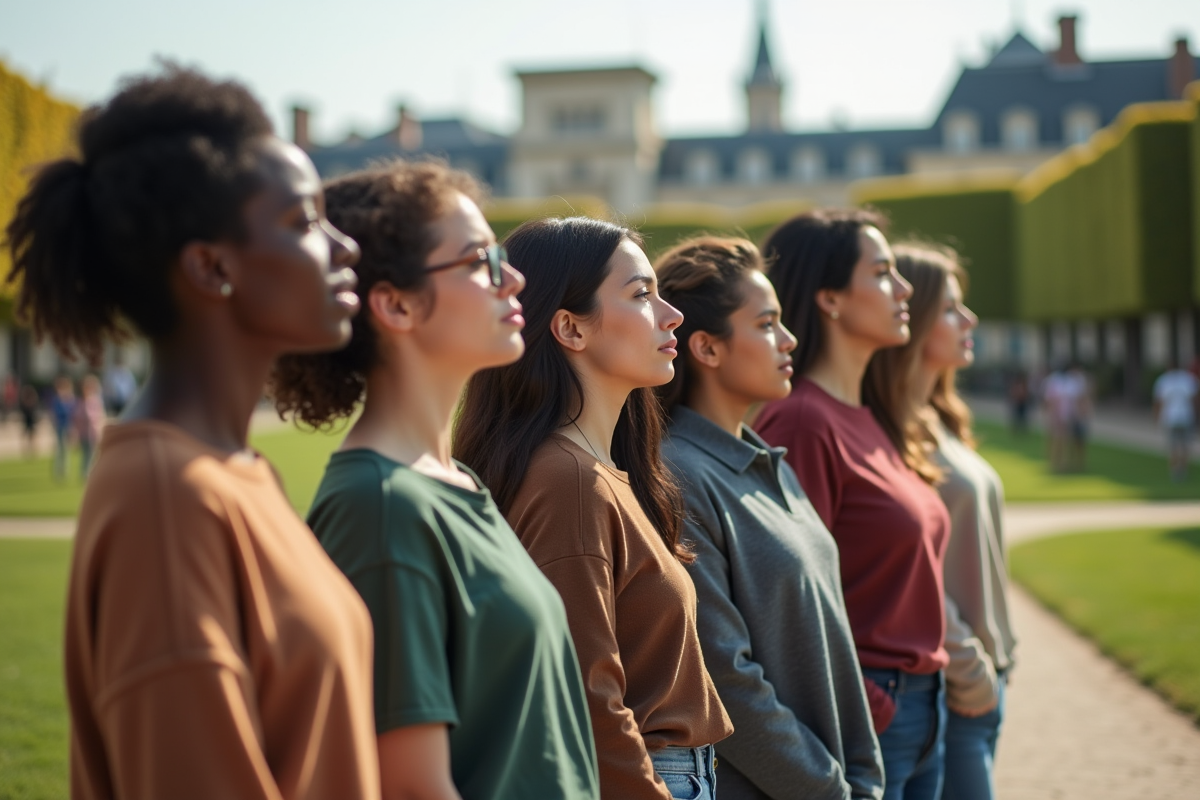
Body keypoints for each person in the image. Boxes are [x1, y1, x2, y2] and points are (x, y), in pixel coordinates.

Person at [5, 66, 381, 799]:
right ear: (211, 267)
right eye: (305, 222)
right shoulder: (169, 502)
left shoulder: (230, 470)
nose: (344, 247)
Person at [271, 162, 600, 800]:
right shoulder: (383, 506)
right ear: (395, 304)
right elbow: (411, 788)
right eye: (479, 261)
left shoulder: (456, 483)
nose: (515, 280)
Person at [456, 217, 733, 800]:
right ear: (570, 329)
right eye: (641, 294)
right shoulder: (570, 482)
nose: (671, 314)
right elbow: (587, 698)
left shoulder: (601, 473)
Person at [654, 236, 885, 800]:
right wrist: (829, 789)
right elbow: (725, 678)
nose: (790, 340)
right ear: (707, 349)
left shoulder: (766, 461)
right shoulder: (679, 473)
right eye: (766, 325)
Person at [754, 210, 951, 800]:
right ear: (831, 299)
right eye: (885, 273)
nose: (905, 289)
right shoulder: (803, 420)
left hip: (920, 704)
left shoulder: (866, 416)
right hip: (875, 708)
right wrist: (872, 703)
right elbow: (789, 591)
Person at [884, 245, 1018, 800]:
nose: (969, 321)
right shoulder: (889, 432)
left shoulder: (938, 419)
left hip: (989, 664)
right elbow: (909, 569)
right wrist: (968, 664)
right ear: (912, 320)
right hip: (955, 678)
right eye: (950, 309)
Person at [1152, 359, 1199, 481]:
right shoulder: (1188, 379)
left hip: (1170, 418)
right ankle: (1182, 470)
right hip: (1186, 417)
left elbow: (1159, 402)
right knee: (1184, 446)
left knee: (1173, 447)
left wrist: (1156, 418)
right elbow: (1195, 400)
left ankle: (1175, 472)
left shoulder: (1164, 380)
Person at [73, 374, 106, 477]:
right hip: (83, 432)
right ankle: (84, 473)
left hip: (93, 432)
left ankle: (91, 474)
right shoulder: (80, 402)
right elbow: (77, 417)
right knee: (86, 454)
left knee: (93, 455)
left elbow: (99, 415)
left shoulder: (95, 400)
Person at [49, 375, 76, 480]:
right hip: (60, 426)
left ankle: (64, 470)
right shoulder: (57, 399)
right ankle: (58, 470)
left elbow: (73, 413)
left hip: (68, 426)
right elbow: (56, 413)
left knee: (66, 449)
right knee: (60, 449)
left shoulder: (70, 398)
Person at [18, 384, 41, 458]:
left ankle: (33, 450)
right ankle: (27, 450)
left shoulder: (32, 404)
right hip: (27, 421)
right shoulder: (25, 404)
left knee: (32, 436)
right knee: (27, 436)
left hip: (31, 422)